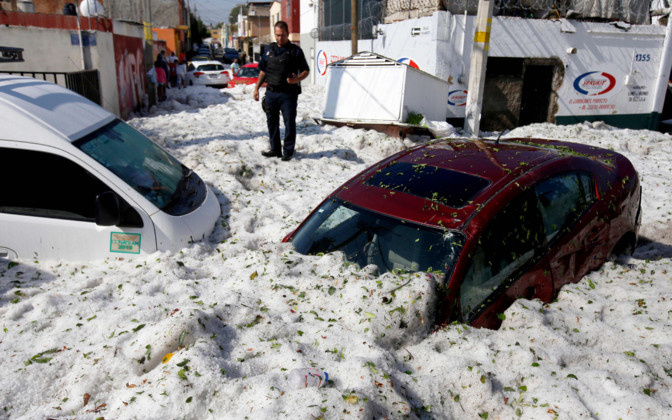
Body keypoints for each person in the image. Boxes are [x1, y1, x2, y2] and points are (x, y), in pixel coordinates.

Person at [254, 21, 309, 161]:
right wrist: (256, 88)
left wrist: (297, 79)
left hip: (288, 95)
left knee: (289, 122)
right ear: (275, 34)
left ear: (288, 34)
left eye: (283, 35)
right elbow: (263, 71)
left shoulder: (295, 51)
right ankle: (275, 149)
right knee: (272, 122)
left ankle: (288, 151)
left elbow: (305, 70)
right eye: (277, 35)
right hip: (271, 92)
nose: (280, 38)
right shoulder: (268, 50)